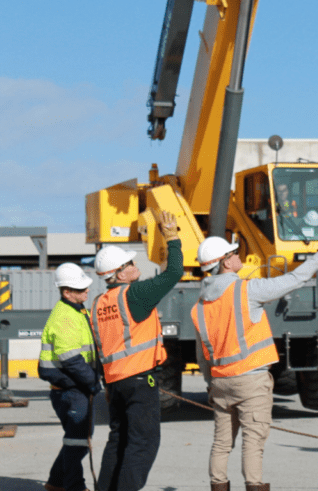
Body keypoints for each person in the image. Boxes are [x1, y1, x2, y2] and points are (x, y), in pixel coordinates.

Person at [192, 228, 318, 491]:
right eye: (234, 252)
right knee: (253, 442)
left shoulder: (199, 306)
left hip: (220, 382)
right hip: (251, 381)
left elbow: (202, 355)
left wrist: (211, 384)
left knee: (222, 444)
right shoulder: (246, 290)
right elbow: (294, 278)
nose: (239, 255)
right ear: (225, 262)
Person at [90, 210, 183, 491]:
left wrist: (106, 383)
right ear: (119, 273)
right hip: (140, 381)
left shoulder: (98, 303)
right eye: (130, 263)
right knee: (143, 443)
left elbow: (101, 349)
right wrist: (173, 238)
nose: (135, 264)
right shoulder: (135, 294)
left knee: (118, 439)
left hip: (116, 383)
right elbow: (175, 273)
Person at [39, 263, 100, 491]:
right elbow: (72, 360)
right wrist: (93, 383)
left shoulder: (78, 309)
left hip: (74, 387)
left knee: (75, 439)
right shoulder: (65, 317)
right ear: (66, 292)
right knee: (78, 441)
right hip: (71, 389)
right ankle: (75, 486)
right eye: (81, 288)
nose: (87, 291)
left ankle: (55, 482)